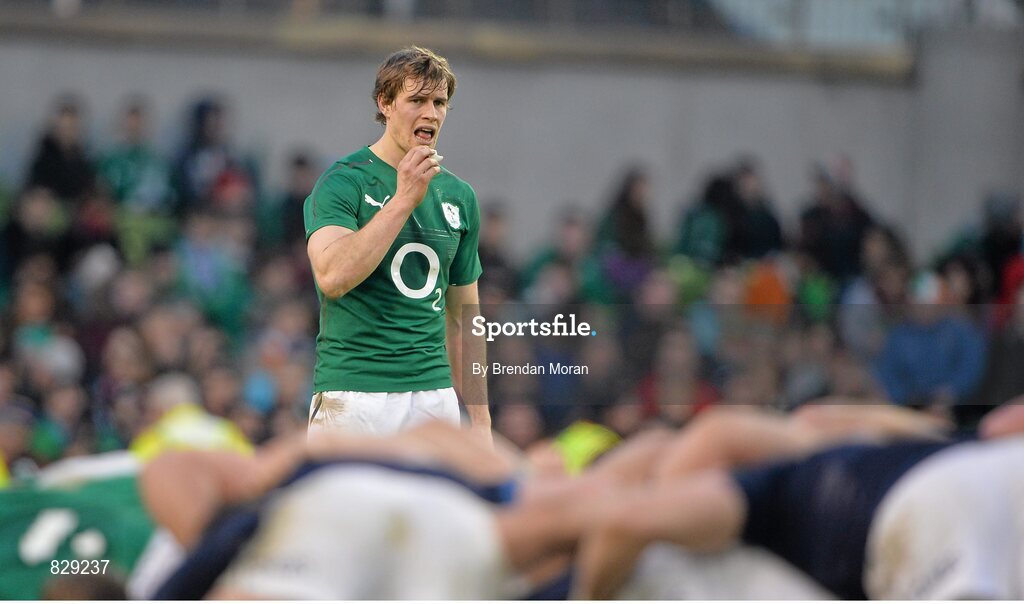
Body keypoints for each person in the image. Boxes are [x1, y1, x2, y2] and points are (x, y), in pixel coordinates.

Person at [575, 404, 1024, 600]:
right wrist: (947, 434)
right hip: (995, 468)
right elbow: (1003, 426)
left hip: (927, 516)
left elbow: (628, 521)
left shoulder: (765, 486)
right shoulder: (843, 446)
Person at [303, 47, 490, 441]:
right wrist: (404, 199)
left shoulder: (460, 196)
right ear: (385, 103)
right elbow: (332, 276)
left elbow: (464, 321)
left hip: (433, 398)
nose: (431, 113)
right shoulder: (344, 181)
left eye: (440, 102)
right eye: (417, 100)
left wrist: (483, 422)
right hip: (353, 394)